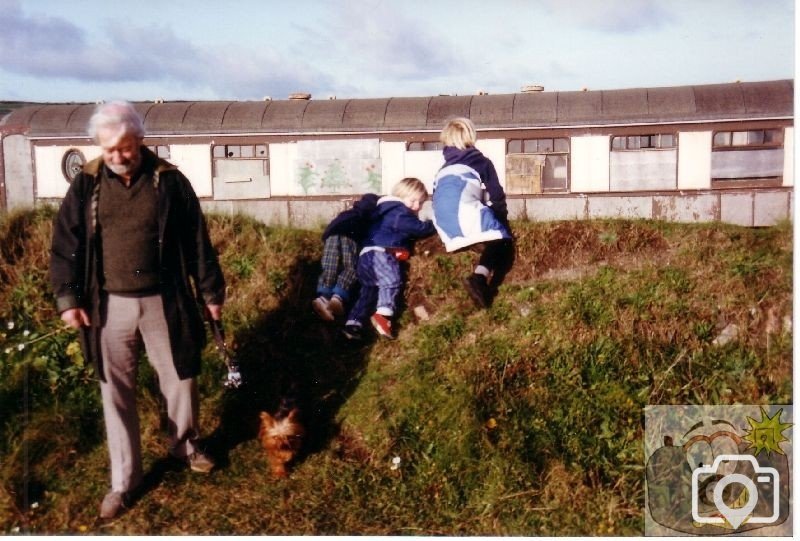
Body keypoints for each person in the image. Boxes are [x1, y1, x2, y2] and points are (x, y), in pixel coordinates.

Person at [49, 101, 226, 520]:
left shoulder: (169, 182)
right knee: (116, 391)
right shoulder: (86, 185)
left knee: (181, 378)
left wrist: (211, 292)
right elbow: (66, 246)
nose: (117, 157)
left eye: (124, 148)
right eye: (108, 150)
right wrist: (68, 300)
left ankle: (184, 445)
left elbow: (198, 242)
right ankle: (124, 480)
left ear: (140, 141)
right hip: (107, 304)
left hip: (165, 301)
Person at [432, 117, 514, 308]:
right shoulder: (480, 161)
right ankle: (479, 277)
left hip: (441, 219)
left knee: (478, 234)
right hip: (464, 210)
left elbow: (436, 196)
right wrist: (501, 220)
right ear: (471, 136)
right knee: (501, 239)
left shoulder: (442, 169)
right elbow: (496, 195)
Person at [342, 178, 435, 340]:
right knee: (391, 281)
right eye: (413, 201)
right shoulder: (399, 212)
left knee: (369, 290)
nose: (416, 206)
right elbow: (417, 229)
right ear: (400, 196)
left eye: (420, 203)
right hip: (382, 253)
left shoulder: (383, 211)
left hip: (366, 255)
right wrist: (432, 225)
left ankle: (353, 323)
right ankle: (383, 315)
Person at [312, 193, 379, 321]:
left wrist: (325, 238)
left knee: (330, 265)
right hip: (350, 238)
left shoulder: (347, 213)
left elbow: (332, 225)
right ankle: (338, 296)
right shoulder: (366, 218)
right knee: (351, 267)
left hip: (331, 236)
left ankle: (323, 297)